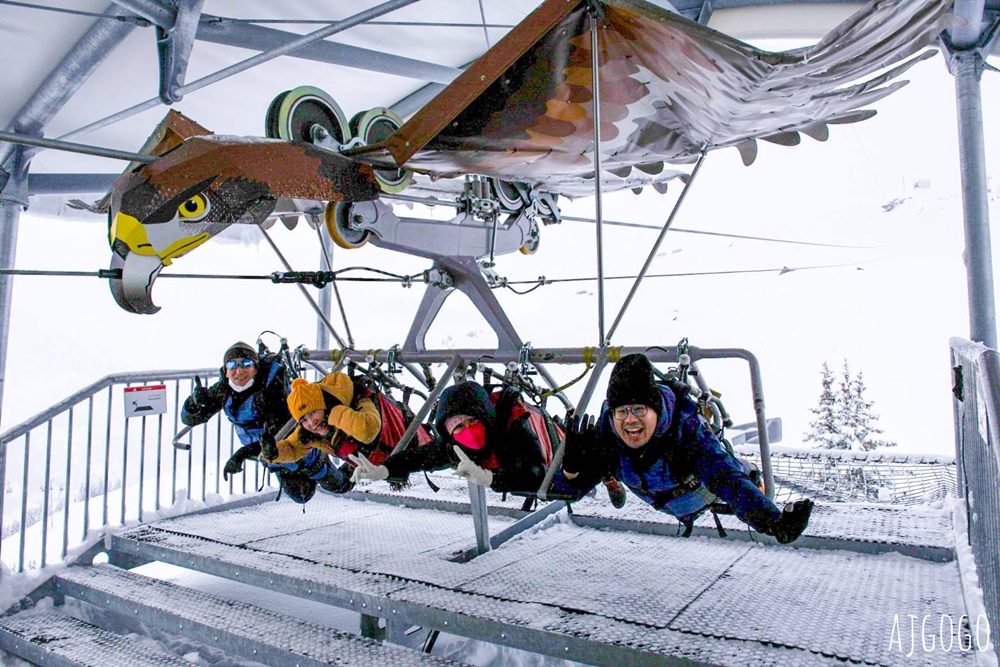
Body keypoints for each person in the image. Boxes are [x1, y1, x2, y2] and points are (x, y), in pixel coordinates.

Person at [555, 353, 813, 543]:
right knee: (602, 462)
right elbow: (567, 492)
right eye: (622, 411)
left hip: (700, 493)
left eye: (639, 409)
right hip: (659, 492)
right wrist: (571, 470)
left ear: (656, 410)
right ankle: (612, 478)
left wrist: (772, 522)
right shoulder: (608, 434)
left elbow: (727, 481)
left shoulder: (686, 433)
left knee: (733, 474)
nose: (630, 420)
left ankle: (752, 472)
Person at [349, 381, 557, 502]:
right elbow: (416, 457)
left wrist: (489, 479)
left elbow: (536, 474)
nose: (468, 430)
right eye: (458, 426)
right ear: (449, 432)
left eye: (473, 420)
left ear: (485, 417)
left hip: (559, 459)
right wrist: (383, 470)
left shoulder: (512, 429)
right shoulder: (453, 447)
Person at [257, 372, 383, 501]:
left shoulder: (360, 401)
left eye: (313, 412)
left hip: (393, 450)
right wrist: (273, 452)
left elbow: (369, 431)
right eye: (303, 420)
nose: (312, 423)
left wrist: (335, 412)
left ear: (324, 406)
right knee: (337, 486)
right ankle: (353, 466)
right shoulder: (308, 433)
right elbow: (293, 447)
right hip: (363, 458)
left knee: (339, 482)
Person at [181, 341, 291, 480]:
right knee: (298, 494)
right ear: (226, 371)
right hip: (259, 451)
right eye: (232, 365)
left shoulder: (270, 389)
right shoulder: (223, 390)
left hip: (286, 446)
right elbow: (189, 419)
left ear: (256, 368)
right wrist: (194, 404)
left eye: (246, 364)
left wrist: (243, 453)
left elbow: (283, 431)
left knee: (306, 484)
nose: (239, 371)